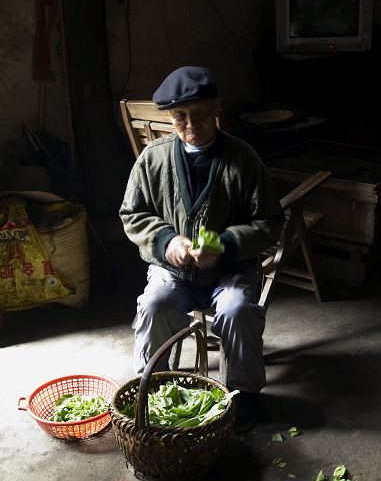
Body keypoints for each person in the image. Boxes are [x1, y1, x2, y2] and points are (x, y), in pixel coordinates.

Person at [119, 66, 284, 432]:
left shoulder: (243, 159)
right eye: (180, 117)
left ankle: (244, 392)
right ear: (170, 118)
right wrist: (167, 240)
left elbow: (270, 222)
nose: (191, 125)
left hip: (229, 270)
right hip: (173, 271)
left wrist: (224, 245)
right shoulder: (154, 158)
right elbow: (132, 213)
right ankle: (153, 386)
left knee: (239, 309)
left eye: (200, 114)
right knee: (154, 304)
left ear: (217, 108)